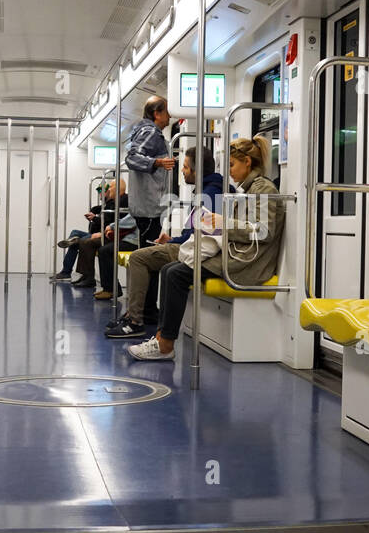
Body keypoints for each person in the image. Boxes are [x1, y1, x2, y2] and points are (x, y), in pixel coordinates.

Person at [129, 136, 282, 361]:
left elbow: (264, 232)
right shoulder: (249, 189)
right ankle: (162, 337)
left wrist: (223, 224)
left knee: (176, 274)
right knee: (168, 270)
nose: (229, 171)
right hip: (237, 254)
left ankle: (166, 345)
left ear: (247, 162)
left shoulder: (263, 189)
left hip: (248, 262)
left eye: (232, 165)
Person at [105, 145, 222, 339]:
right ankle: (143, 313)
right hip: (190, 244)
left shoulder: (208, 195)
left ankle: (135, 321)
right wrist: (171, 239)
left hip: (196, 250)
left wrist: (174, 241)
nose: (182, 171)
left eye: (185, 167)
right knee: (148, 256)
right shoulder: (207, 191)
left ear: (196, 170)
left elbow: (200, 235)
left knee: (138, 258)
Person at [122, 95, 174, 249]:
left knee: (146, 254)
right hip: (150, 209)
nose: (170, 116)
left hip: (145, 208)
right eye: (167, 112)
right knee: (148, 257)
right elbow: (132, 158)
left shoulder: (144, 132)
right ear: (157, 114)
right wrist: (158, 162)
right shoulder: (151, 132)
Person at [71, 177, 129, 294]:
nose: (108, 190)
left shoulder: (122, 201)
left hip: (116, 235)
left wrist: (103, 232)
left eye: (110, 188)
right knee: (84, 241)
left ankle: (91, 278)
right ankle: (88, 276)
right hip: (110, 233)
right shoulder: (115, 201)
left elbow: (119, 221)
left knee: (86, 242)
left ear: (116, 189)